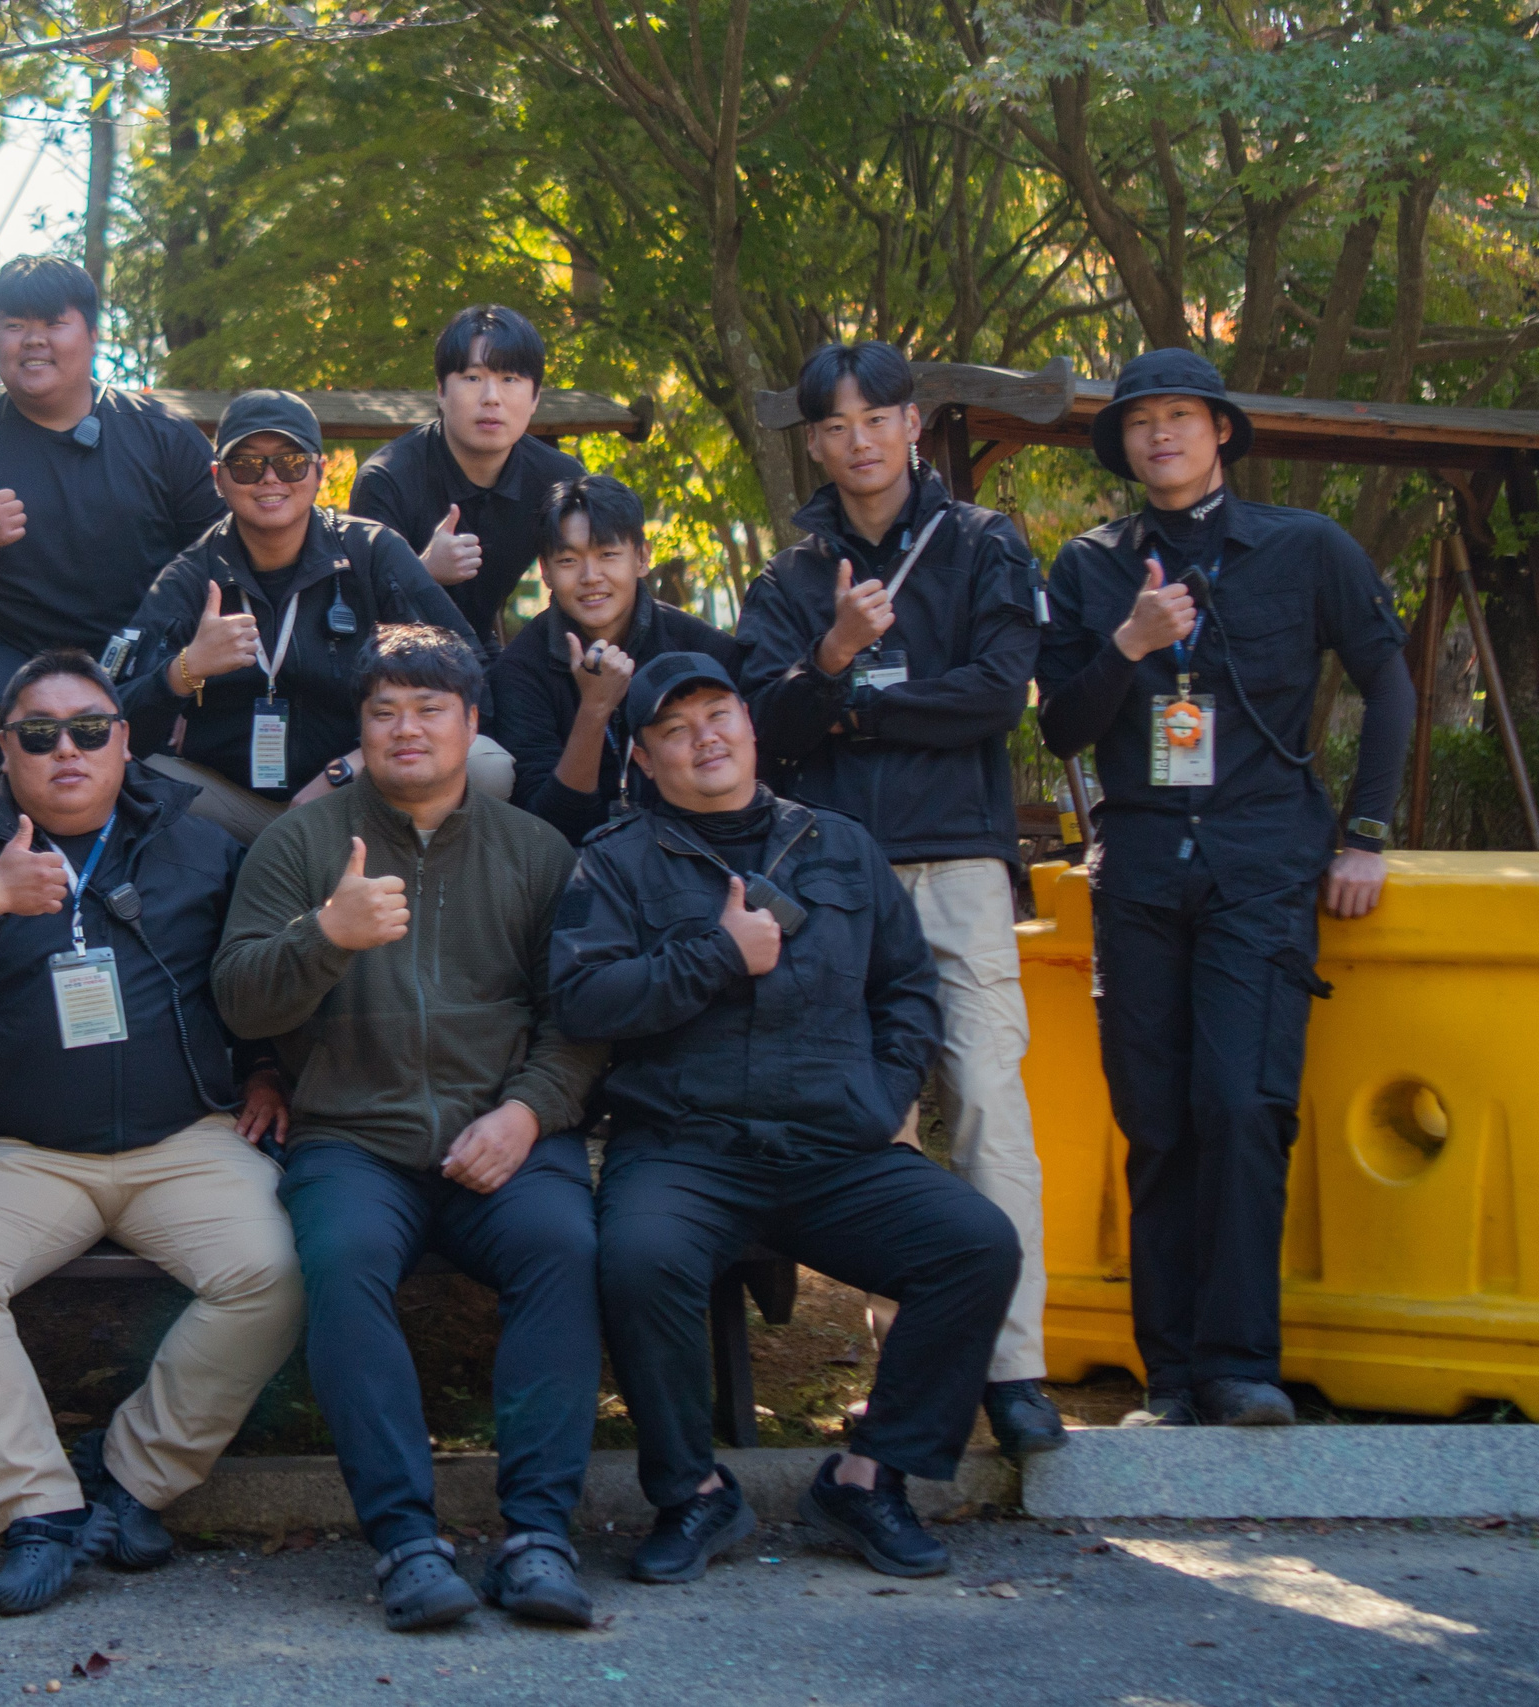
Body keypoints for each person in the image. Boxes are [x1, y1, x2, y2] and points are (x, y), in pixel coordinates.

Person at [554, 652, 1020, 1585]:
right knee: (639, 1258)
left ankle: (867, 1476)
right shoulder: (614, 862)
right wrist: (717, 955)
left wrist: (881, 1098)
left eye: (719, 714)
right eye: (676, 731)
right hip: (685, 1149)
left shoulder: (841, 846)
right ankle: (692, 1492)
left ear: (752, 726)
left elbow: (907, 991)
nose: (706, 739)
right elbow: (583, 999)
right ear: (644, 761)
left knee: (975, 1244)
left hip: (833, 1145)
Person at [0, 651, 302, 1617]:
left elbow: (259, 968)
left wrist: (266, 1063)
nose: (68, 748)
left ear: (124, 739)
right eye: (40, 733)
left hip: (182, 1139)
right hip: (22, 1152)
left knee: (282, 1260)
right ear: (6, 751)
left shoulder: (201, 848)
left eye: (89, 728)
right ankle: (37, 1511)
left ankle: (133, 1477)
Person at [1037, 347, 1411, 1429]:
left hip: (1263, 860)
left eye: (1181, 416)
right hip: (1142, 865)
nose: (1162, 434)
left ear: (1220, 432)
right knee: (1156, 1121)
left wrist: (1368, 835)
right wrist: (1129, 643)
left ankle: (1241, 1364)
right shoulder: (1091, 565)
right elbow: (1060, 725)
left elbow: (1386, 684)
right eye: (1141, 420)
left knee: (1241, 1106)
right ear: (1123, 445)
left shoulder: (1306, 548)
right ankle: (1170, 1376)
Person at [212, 624, 607, 1632]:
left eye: (430, 709)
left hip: (504, 1139)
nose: (405, 729)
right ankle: (405, 1542)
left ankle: (537, 1535)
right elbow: (238, 1001)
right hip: (353, 1141)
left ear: (471, 726)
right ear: (360, 727)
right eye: (384, 710)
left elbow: (580, 1021)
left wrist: (526, 1115)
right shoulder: (299, 845)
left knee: (562, 1247)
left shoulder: (535, 852)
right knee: (339, 1261)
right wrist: (323, 938)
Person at [732, 341, 1063, 1457]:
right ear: (813, 442)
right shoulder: (786, 579)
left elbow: (991, 696)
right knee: (877, 1122)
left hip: (957, 860)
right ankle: (917, 1372)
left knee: (986, 1102)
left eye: (877, 417)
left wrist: (852, 706)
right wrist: (830, 654)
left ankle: (1014, 1369)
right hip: (833, 872)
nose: (858, 439)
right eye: (834, 424)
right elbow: (765, 728)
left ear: (912, 423)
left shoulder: (980, 544)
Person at [0, 255, 228, 820]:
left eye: (52, 324)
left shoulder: (163, 439)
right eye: (15, 325)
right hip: (10, 659)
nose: (32, 342)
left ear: (92, 335)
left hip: (141, 656)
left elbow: (225, 556)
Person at [115, 389, 504, 843]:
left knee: (487, 765)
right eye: (246, 465)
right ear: (218, 479)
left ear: (320, 471)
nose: (269, 479)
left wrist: (352, 766)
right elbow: (108, 720)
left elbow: (469, 673)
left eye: (291, 462)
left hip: (363, 791)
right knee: (118, 771)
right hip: (233, 807)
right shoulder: (188, 579)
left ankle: (412, 872)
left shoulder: (372, 551)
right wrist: (185, 672)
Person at [489, 473, 740, 844]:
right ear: (545, 570)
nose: (591, 577)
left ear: (642, 557)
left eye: (608, 554)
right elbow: (548, 828)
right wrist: (594, 709)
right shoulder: (519, 670)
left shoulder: (701, 648)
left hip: (696, 849)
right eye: (569, 560)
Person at [349, 305, 587, 654]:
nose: (491, 398)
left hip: (489, 651)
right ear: (441, 391)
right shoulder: (387, 479)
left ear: (535, 397)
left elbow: (588, 582)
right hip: (402, 661)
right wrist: (423, 572)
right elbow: (358, 620)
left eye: (510, 380)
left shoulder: (560, 480)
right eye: (473, 378)